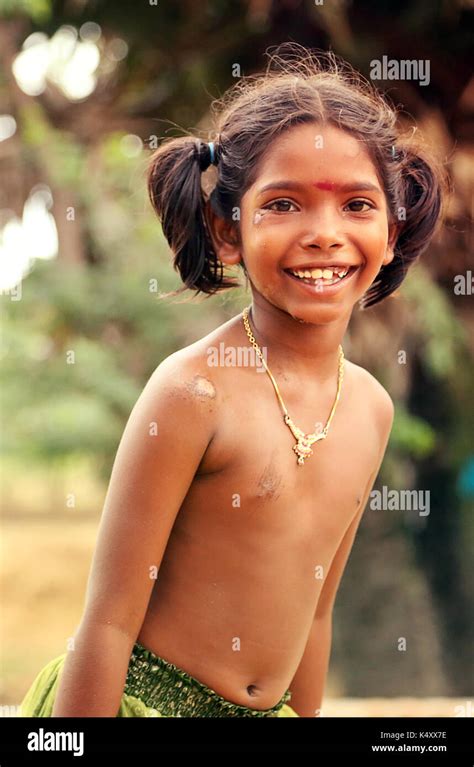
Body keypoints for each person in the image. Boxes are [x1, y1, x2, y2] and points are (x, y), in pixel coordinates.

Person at [19, 43, 444, 718]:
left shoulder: (369, 408)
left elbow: (314, 617)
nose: (324, 234)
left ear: (391, 233)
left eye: (356, 205)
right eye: (283, 204)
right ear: (226, 230)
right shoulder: (193, 393)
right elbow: (106, 625)